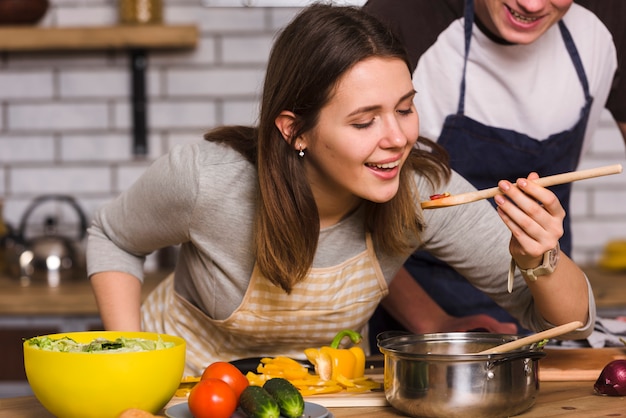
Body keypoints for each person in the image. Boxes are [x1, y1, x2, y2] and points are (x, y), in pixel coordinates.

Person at [87, 3, 595, 376]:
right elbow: (113, 236)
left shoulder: (424, 193)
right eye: (363, 121)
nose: (397, 139)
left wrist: (541, 255)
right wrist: (131, 371)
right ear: (295, 130)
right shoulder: (206, 178)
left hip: (312, 398)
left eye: (403, 108)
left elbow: (571, 323)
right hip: (179, 389)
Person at [363, 0, 626, 341]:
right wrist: (432, 322)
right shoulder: (399, 16)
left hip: (549, 290)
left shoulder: (611, 17)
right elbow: (353, 229)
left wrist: (551, 275)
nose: (531, 5)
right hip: (421, 309)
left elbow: (573, 314)